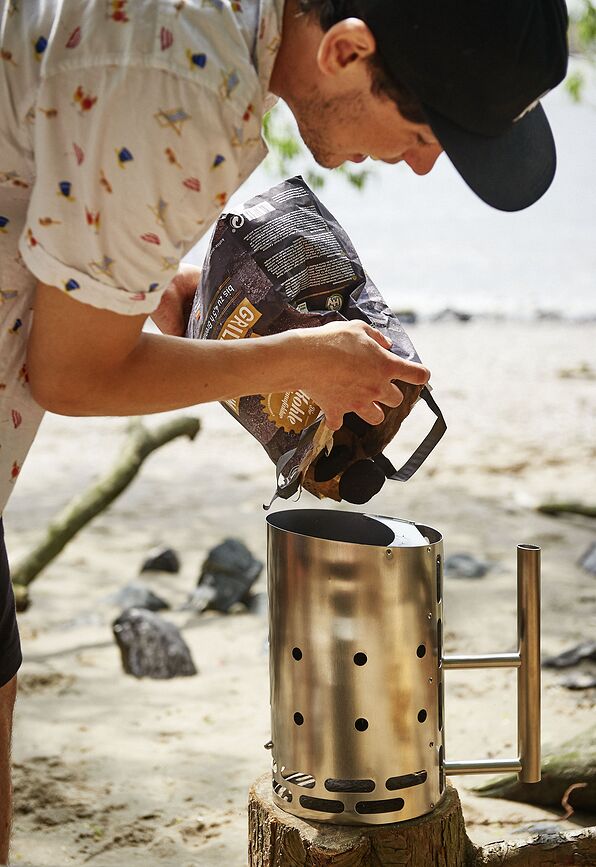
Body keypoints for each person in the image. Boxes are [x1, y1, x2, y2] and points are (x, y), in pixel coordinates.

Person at [0, 0, 568, 860]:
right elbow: (71, 374)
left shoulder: (216, 35)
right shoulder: (188, 92)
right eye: (426, 134)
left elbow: (56, 161)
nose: (420, 169)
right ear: (346, 50)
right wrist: (299, 359)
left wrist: (154, 286)